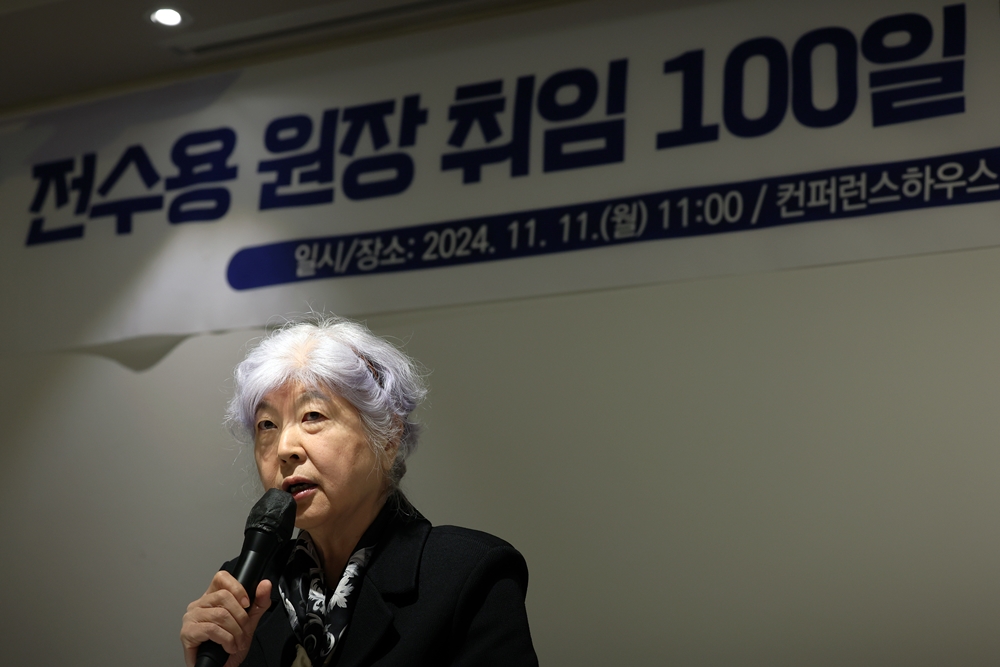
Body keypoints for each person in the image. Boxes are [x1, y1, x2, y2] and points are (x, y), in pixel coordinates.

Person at [180, 316, 538, 667]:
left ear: (388, 436)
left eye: (313, 416)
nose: (285, 447)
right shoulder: (247, 588)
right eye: (267, 425)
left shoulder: (467, 574)